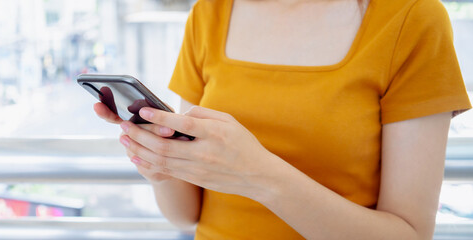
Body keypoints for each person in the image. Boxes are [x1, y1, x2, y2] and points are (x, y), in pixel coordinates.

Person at [94, 0, 472, 238]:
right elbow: (185, 215)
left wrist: (261, 176)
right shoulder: (209, 12)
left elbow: (410, 234)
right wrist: (161, 167)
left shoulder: (413, 18)